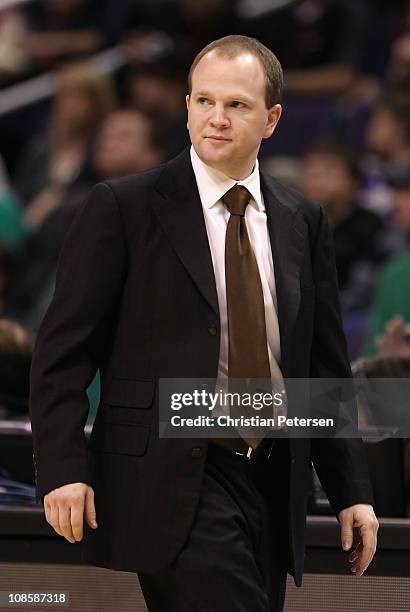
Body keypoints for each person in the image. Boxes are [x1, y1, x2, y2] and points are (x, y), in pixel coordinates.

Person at [29, 36, 378, 611]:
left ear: (271, 119)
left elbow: (323, 365)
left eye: (236, 105)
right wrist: (63, 467)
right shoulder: (123, 207)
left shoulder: (303, 219)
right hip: (173, 476)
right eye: (203, 101)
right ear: (187, 104)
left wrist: (351, 492)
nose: (216, 119)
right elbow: (63, 352)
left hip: (271, 475)